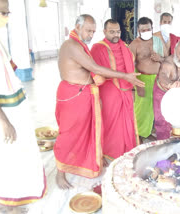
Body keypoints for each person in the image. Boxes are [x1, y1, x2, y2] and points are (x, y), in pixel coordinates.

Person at [55, 14, 144, 189]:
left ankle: (91, 159)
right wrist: (125, 76)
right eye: (88, 30)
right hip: (74, 95)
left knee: (87, 132)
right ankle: (59, 173)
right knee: (69, 134)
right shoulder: (71, 45)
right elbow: (94, 68)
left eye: (93, 32)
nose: (90, 35)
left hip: (84, 94)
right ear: (77, 27)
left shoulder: (81, 45)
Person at [0, 0, 46, 213]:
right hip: (2, 117)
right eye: (2, 12)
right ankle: (7, 206)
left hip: (12, 113)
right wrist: (4, 122)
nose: (6, 17)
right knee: (7, 165)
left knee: (17, 162)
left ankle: (14, 203)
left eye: (7, 12)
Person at [90, 19, 139, 161]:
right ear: (104, 32)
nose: (116, 34)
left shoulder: (124, 46)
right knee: (111, 122)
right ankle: (109, 152)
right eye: (112, 32)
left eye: (118, 31)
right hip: (109, 90)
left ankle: (127, 150)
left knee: (127, 121)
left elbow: (129, 65)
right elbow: (93, 69)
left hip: (126, 89)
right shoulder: (97, 48)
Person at [129, 17, 164, 140]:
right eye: (143, 30)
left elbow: (166, 60)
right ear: (138, 30)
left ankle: (147, 131)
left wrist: (160, 58)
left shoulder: (158, 41)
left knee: (154, 108)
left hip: (158, 79)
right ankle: (137, 134)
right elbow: (130, 66)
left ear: (152, 28)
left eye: (148, 29)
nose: (146, 32)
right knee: (141, 108)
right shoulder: (134, 44)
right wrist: (137, 84)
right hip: (142, 78)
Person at [153, 40, 180, 140]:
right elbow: (163, 77)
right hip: (163, 93)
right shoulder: (168, 63)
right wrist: (171, 85)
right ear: (175, 51)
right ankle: (164, 147)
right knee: (163, 122)